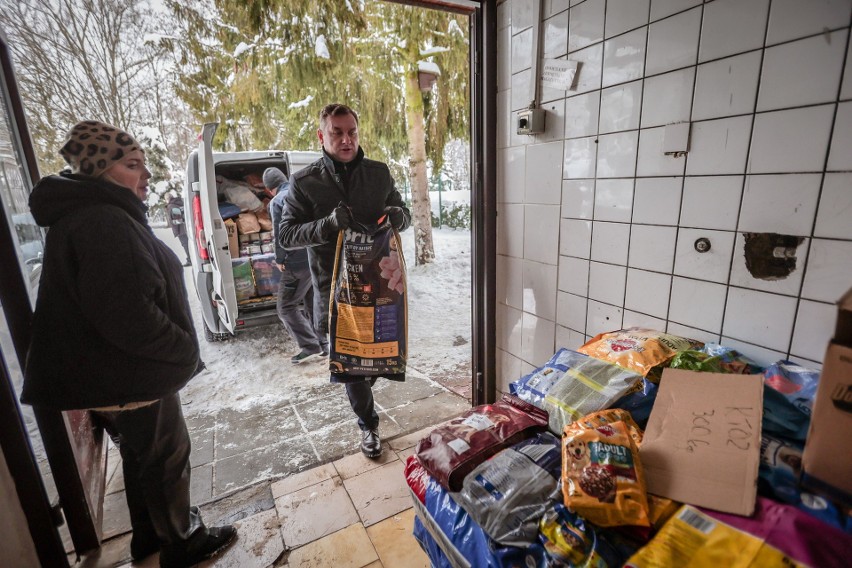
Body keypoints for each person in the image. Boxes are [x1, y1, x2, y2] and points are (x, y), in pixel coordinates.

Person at [20, 120, 236, 567]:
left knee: (143, 460)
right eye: (133, 165)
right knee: (166, 458)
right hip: (131, 377)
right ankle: (182, 542)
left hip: (113, 374)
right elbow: (127, 315)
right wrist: (183, 349)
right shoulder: (103, 222)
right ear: (101, 171)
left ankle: (149, 540)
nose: (147, 176)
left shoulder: (90, 214)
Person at [279, 103, 411, 459]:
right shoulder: (305, 182)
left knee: (374, 364)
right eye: (336, 132)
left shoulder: (379, 173)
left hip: (382, 288)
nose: (346, 139)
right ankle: (368, 425)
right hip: (335, 291)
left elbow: (404, 214)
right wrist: (327, 224)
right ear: (322, 136)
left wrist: (401, 216)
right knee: (351, 368)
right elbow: (287, 235)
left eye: (351, 131)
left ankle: (365, 386)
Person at [265, 166, 328, 363]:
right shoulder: (302, 191)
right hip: (312, 256)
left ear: (269, 189)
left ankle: (310, 346)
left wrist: (280, 258)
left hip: (296, 262)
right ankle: (323, 344)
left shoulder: (277, 201)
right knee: (310, 302)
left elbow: (280, 234)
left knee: (286, 306)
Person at [167, 192, 192, 266]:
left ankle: (190, 260)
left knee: (185, 244)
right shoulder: (180, 202)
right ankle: (190, 258)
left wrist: (176, 232)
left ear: (168, 199)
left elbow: (176, 220)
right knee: (188, 244)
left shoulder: (171, 206)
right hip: (186, 226)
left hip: (181, 230)